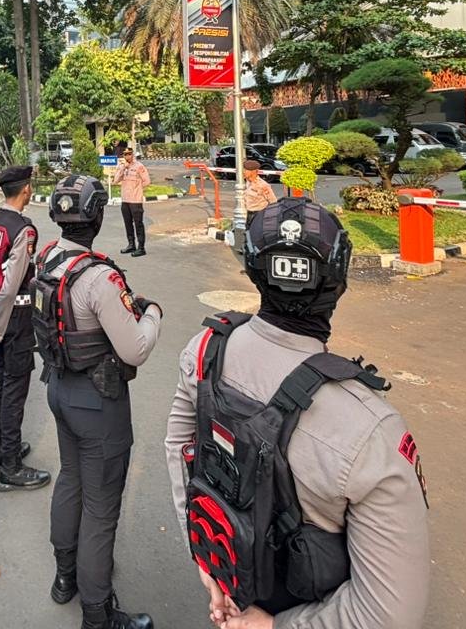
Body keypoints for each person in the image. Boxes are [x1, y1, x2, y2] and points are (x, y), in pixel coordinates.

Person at [164, 197, 430, 629]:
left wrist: (209, 560)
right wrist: (271, 626)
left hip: (232, 576)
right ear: (339, 280)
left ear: (253, 270)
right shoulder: (370, 429)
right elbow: (388, 615)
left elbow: (180, 451)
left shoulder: (205, 352)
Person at [35, 174, 163, 629]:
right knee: (102, 506)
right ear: (97, 217)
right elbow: (135, 349)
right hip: (97, 400)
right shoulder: (99, 277)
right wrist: (153, 313)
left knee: (71, 479)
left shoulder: (48, 258)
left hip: (59, 388)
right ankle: (97, 612)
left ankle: (65, 577)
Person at [0, 165, 48, 490]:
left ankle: (1, 450)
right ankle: (11, 467)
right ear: (27, 189)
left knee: (1, 382)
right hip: (15, 318)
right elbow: (11, 285)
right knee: (14, 392)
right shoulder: (23, 229)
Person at [113, 147, 150, 257]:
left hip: (135, 201)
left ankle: (141, 248)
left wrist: (136, 189)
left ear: (132, 154)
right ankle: (131, 245)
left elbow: (147, 181)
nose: (127, 156)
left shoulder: (139, 166)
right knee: (127, 223)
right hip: (125, 200)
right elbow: (115, 181)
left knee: (138, 224)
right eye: (125, 154)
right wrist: (122, 168)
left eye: (129, 154)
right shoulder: (122, 167)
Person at [242, 160, 278, 227]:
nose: (244, 172)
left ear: (253, 172)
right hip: (249, 214)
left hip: (259, 215)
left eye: (246, 170)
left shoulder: (263, 185)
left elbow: (273, 201)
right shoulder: (248, 182)